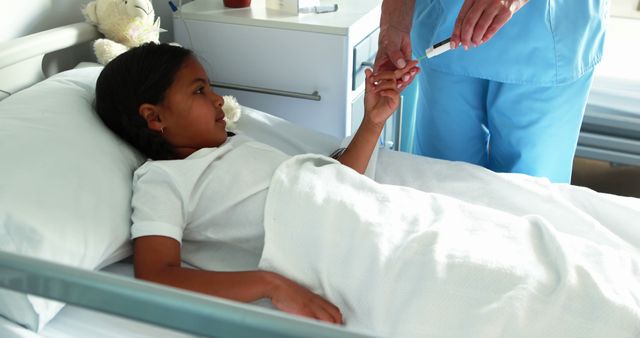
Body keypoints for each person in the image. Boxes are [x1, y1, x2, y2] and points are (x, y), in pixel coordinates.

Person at [95, 42, 417, 325]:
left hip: (376, 226)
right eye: (199, 90)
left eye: (210, 87)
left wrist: (373, 122)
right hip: (353, 262)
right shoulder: (163, 178)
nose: (218, 100)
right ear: (155, 118)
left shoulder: (236, 145)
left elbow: (332, 186)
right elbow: (155, 276)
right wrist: (270, 284)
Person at [373, 0, 608, 183]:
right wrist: (393, 22)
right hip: (446, 29)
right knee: (441, 191)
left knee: (528, 205)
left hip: (547, 41)